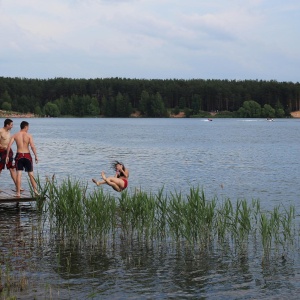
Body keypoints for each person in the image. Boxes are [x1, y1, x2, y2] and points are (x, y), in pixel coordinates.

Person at [5, 121, 39, 197]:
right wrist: (36, 156)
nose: (28, 129)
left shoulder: (15, 135)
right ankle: (36, 191)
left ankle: (18, 193)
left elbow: (9, 146)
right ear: (26, 127)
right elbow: (32, 146)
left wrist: (7, 156)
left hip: (19, 155)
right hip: (27, 155)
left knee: (19, 174)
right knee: (31, 175)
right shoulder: (29, 135)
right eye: (28, 127)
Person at [0, 118, 17, 187]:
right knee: (0, 169)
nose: (12, 126)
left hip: (8, 151)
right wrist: (2, 147)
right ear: (7, 125)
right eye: (11, 125)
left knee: (12, 168)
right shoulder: (1, 131)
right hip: (1, 151)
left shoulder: (8, 132)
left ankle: (17, 185)